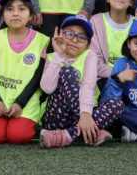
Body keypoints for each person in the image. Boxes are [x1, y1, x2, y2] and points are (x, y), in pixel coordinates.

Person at [39, 15, 124, 148]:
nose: (74, 40)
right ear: (60, 35)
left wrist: (85, 115)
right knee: (67, 71)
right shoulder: (51, 57)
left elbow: (88, 85)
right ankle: (92, 133)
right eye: (70, 34)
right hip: (56, 118)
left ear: (88, 44)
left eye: (82, 37)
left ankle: (64, 136)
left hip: (87, 116)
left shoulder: (89, 55)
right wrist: (58, 56)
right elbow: (47, 88)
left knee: (117, 104)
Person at [0, 0, 48, 144]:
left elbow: (37, 78)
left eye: (22, 9)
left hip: (26, 101)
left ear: (31, 16)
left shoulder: (42, 41)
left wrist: (20, 103)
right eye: (9, 9)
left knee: (17, 136)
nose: (15, 14)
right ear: (2, 15)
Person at [90, 0, 137, 79]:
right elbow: (94, 62)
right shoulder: (95, 22)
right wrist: (119, 74)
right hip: (103, 79)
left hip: (132, 79)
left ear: (131, 2)